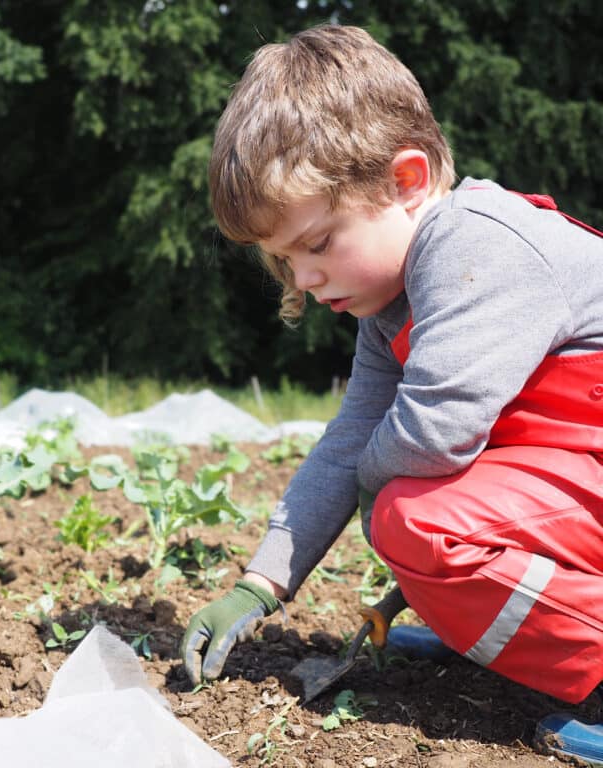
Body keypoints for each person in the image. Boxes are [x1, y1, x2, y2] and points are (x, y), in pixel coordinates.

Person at [180, 23, 603, 764]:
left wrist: (393, 524)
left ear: (404, 181)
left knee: (416, 517)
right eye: (283, 260)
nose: (304, 279)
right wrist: (259, 583)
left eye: (315, 244)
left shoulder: (477, 245)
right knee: (412, 511)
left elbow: (433, 436)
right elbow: (352, 440)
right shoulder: (390, 310)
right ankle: (498, 630)